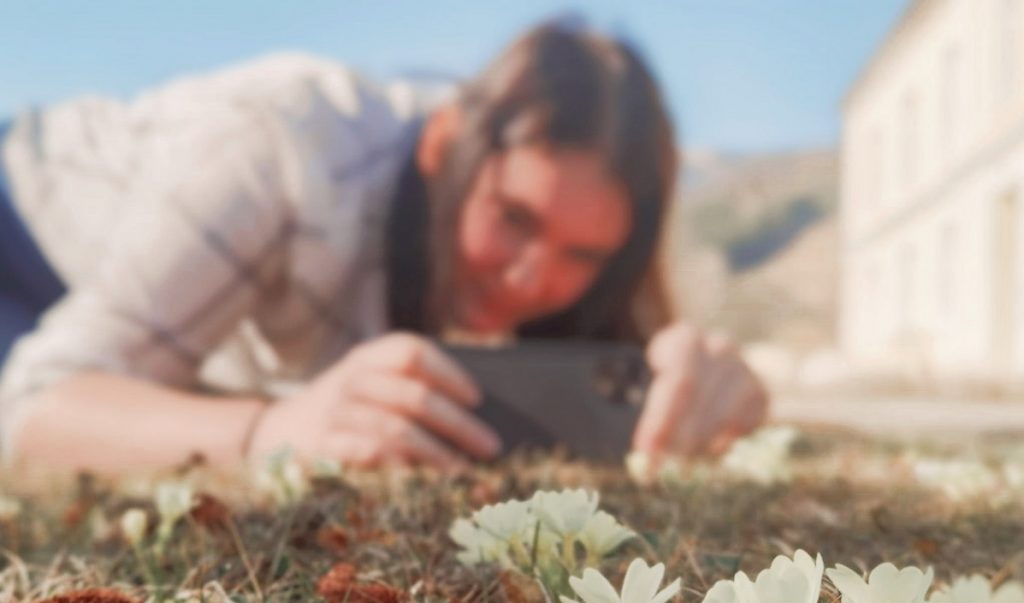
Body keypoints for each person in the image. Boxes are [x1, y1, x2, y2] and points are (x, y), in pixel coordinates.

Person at [0, 22, 768, 474]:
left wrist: (701, 396)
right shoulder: (283, 143)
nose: (534, 278)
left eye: (584, 255)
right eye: (513, 218)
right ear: (442, 147)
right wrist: (270, 432)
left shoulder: (508, 259)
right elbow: (30, 405)